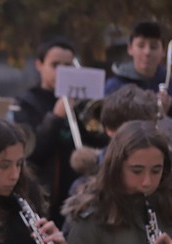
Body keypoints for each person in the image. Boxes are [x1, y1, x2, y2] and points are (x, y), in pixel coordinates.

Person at [14, 37, 106, 227]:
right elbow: (32, 153)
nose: (62, 71)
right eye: (55, 65)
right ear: (39, 65)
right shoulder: (26, 102)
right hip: (47, 196)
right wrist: (55, 117)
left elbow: (100, 140)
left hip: (80, 192)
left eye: (68, 65)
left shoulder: (82, 101)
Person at [105, 21, 172, 116]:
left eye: (153, 47)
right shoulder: (115, 86)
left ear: (163, 51)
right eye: (141, 46)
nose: (147, 52)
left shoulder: (169, 84)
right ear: (130, 49)